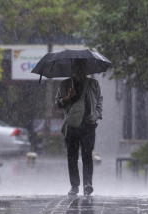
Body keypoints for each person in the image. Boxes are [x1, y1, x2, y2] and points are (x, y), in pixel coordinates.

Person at [55, 58, 103, 196]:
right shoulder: (65, 84)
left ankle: (88, 185)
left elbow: (99, 102)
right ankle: (74, 186)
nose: (79, 70)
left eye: (82, 67)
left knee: (87, 155)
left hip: (88, 125)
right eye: (76, 68)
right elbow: (57, 103)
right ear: (73, 69)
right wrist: (67, 97)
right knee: (72, 157)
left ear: (86, 69)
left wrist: (95, 117)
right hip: (72, 126)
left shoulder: (93, 84)